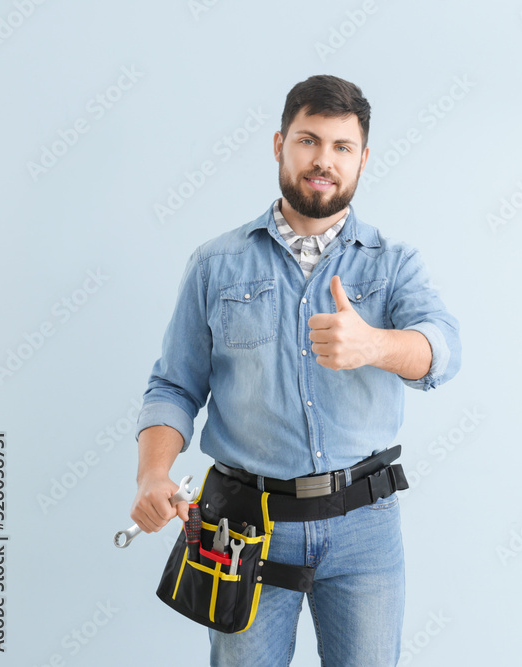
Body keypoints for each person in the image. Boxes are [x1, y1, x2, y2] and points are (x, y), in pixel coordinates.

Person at [128, 74, 461, 666]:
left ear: (362, 159)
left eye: (341, 147)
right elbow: (175, 384)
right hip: (241, 525)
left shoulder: (394, 263)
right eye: (309, 141)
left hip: (365, 526)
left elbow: (442, 350)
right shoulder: (215, 264)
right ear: (280, 143)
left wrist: (374, 345)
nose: (323, 161)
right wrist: (153, 474)